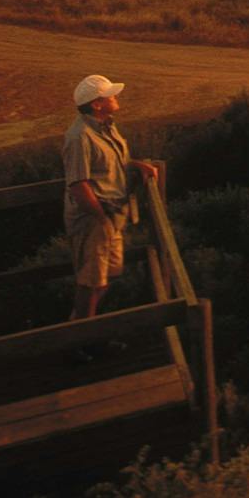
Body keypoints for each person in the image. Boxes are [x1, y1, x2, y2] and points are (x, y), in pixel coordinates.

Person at [63, 72, 163, 320]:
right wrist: (102, 219)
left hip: (111, 216)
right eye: (110, 95)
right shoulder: (80, 137)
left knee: (105, 279)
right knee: (91, 282)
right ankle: (79, 340)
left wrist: (137, 166)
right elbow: (78, 185)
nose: (116, 97)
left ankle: (81, 329)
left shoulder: (107, 127)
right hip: (94, 220)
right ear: (97, 104)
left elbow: (113, 164)